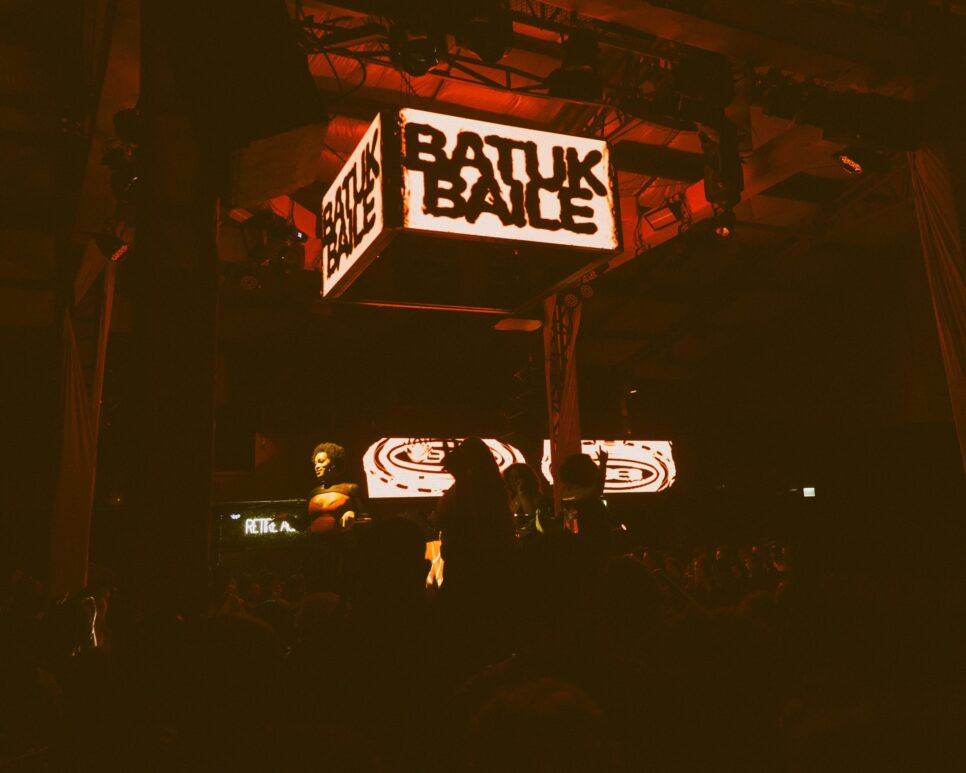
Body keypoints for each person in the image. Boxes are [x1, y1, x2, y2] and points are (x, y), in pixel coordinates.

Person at [307, 442, 365, 532]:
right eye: (315, 464)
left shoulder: (350, 489)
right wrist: (288, 518)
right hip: (315, 541)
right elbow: (302, 524)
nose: (316, 467)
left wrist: (354, 513)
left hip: (343, 540)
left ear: (334, 463)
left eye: (321, 461)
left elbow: (366, 516)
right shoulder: (313, 493)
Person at [502, 462, 555, 539]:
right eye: (511, 478)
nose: (514, 481)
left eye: (518, 477)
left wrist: (521, 493)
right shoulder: (510, 498)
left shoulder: (536, 498)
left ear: (527, 478)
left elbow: (531, 515)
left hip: (533, 538)